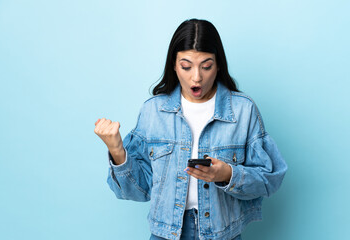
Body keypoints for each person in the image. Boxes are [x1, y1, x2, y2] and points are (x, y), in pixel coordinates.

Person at [94, 18, 287, 240]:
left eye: (206, 66)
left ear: (219, 65)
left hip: (223, 234)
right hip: (165, 234)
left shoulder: (243, 110)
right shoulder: (153, 111)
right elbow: (139, 190)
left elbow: (271, 178)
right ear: (174, 66)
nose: (197, 77)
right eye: (186, 66)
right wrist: (117, 150)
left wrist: (227, 175)